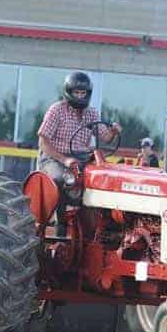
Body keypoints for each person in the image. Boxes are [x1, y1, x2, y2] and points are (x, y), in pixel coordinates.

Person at [38, 71, 121, 235]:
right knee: (61, 179)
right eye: (77, 92)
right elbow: (43, 142)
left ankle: (97, 228)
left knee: (101, 180)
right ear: (68, 92)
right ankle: (59, 224)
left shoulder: (92, 113)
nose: (80, 96)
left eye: (83, 93)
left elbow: (104, 137)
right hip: (54, 158)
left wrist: (113, 130)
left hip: (82, 158)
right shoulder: (56, 110)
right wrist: (65, 160)